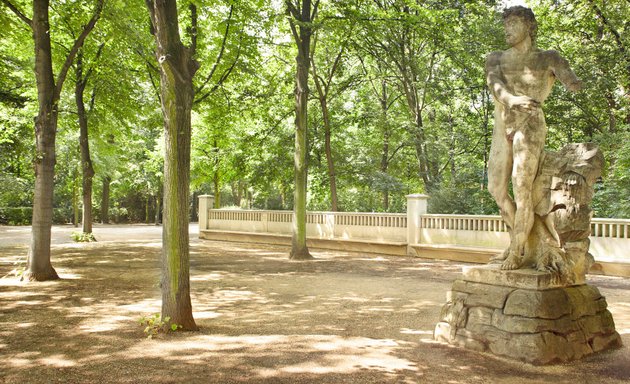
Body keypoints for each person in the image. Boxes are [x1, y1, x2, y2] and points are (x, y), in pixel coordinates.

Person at [485, 6, 582, 270]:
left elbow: (572, 80)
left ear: (529, 26)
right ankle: (526, 243)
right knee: (496, 189)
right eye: (505, 24)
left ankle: (517, 252)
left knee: (522, 186)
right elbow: (496, 87)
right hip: (504, 123)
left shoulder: (547, 57)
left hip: (530, 125)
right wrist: (513, 100)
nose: (507, 29)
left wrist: (572, 81)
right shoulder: (495, 58)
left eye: (513, 23)